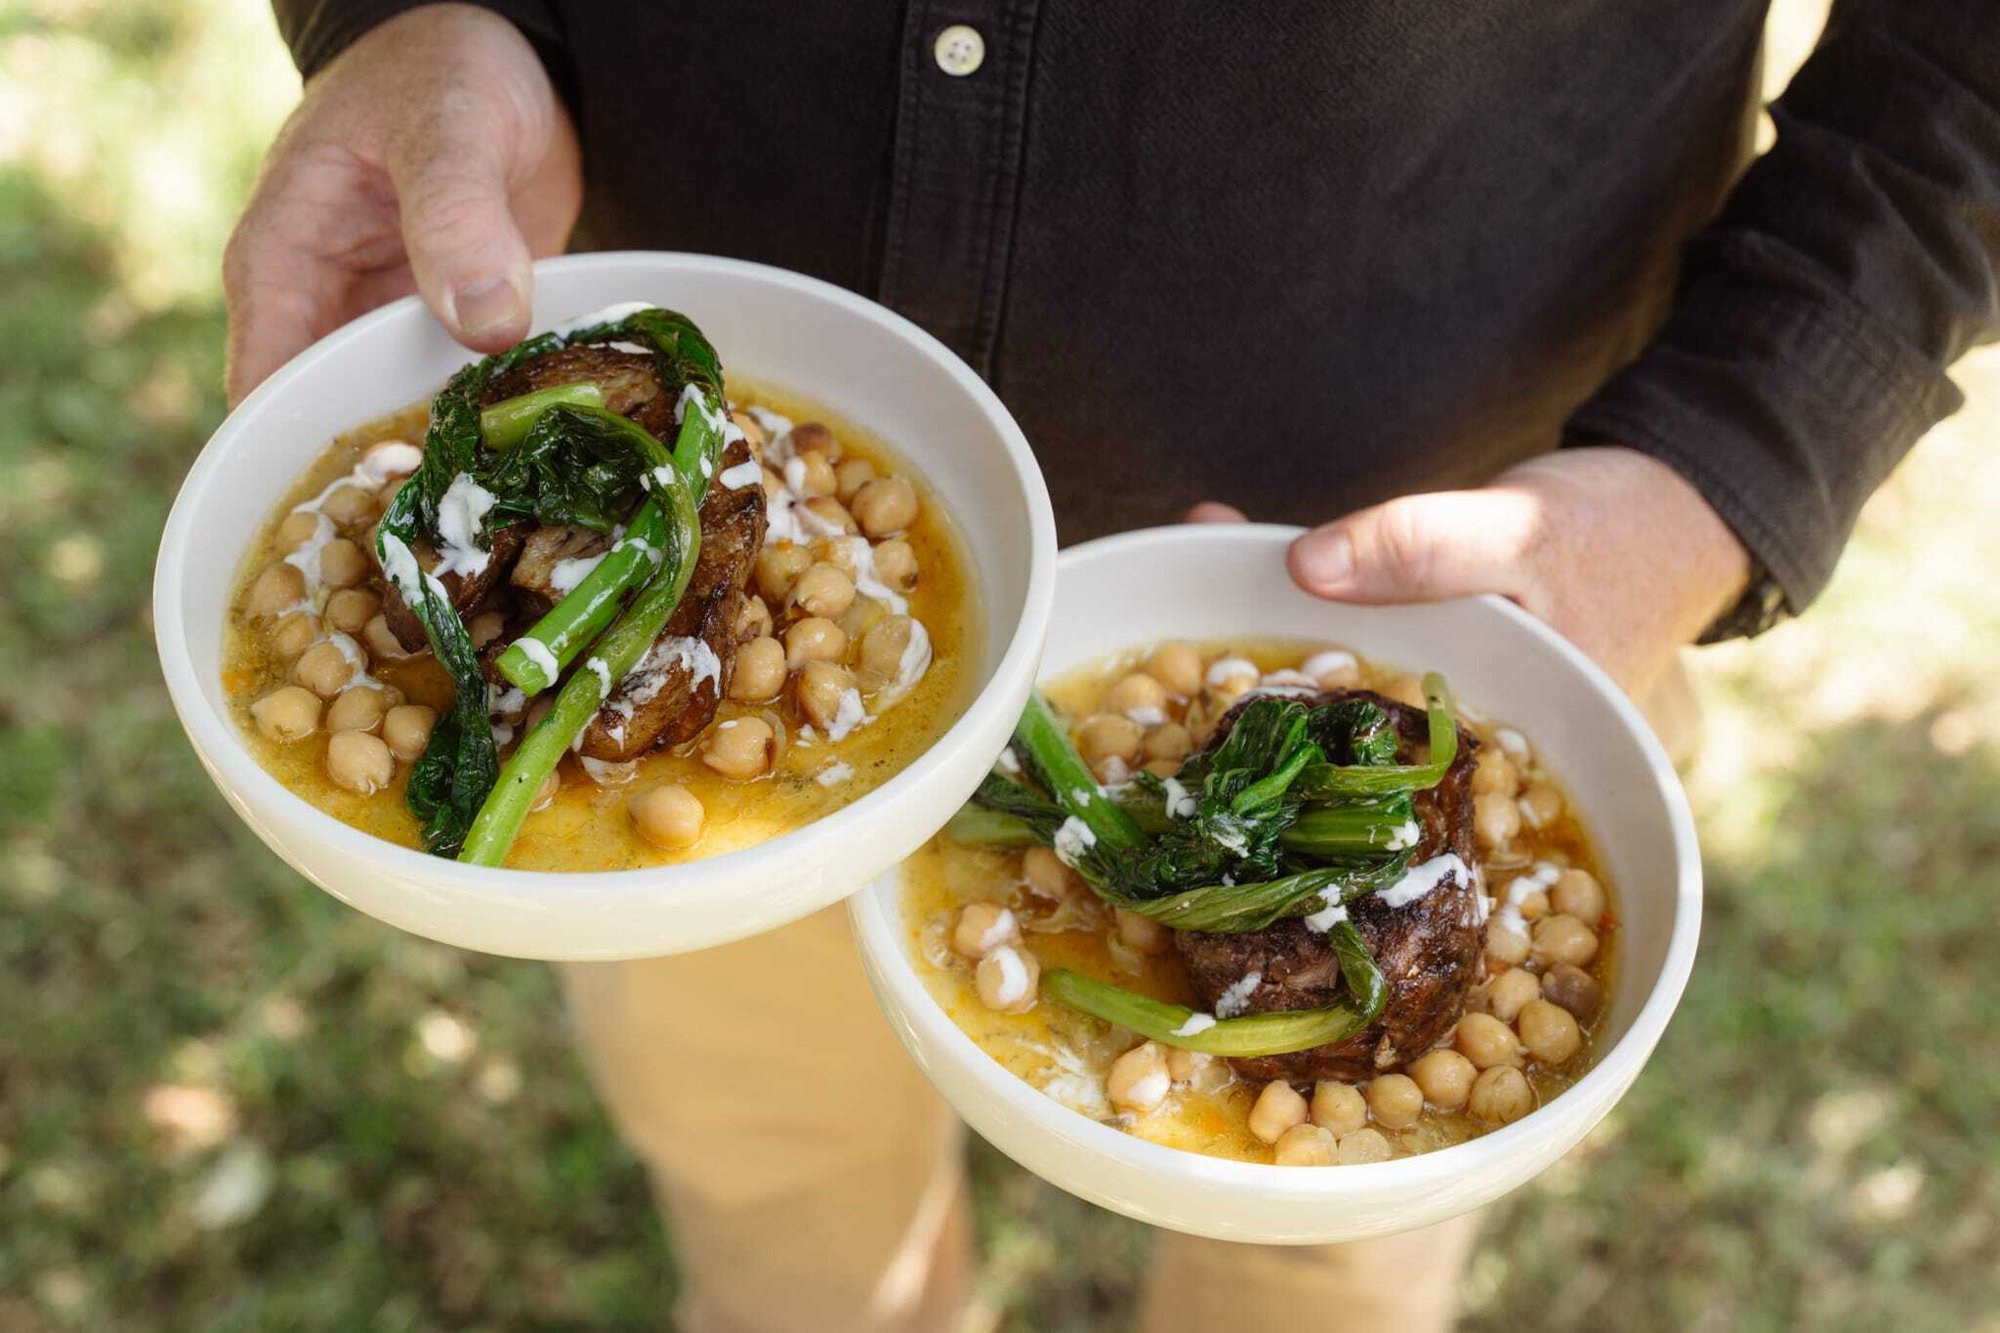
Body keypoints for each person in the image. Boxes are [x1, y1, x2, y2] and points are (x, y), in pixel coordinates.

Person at [226, 4, 1999, 1328]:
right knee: (768, 1180)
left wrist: (1722, 461)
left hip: (1464, 615)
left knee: (1319, 1263)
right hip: (650, 627)